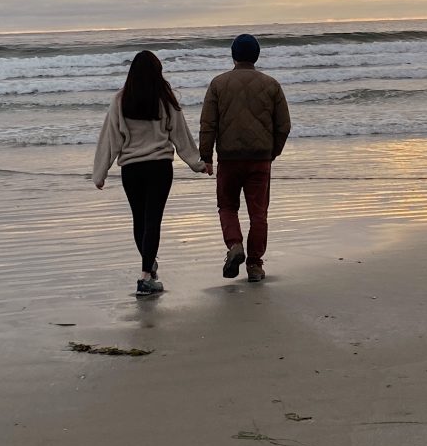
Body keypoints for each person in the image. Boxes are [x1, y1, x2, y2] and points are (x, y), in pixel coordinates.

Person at [93, 50, 208, 296]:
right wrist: (197, 163)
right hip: (159, 167)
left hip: (132, 169)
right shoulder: (165, 99)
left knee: (139, 219)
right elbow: (181, 135)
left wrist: (100, 173)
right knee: (152, 219)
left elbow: (110, 138)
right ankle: (146, 274)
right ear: (158, 73)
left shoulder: (120, 100)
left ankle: (148, 268)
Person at [199, 33, 290, 283]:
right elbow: (284, 125)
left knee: (227, 206)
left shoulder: (218, 84)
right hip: (260, 159)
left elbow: (208, 124)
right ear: (256, 56)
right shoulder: (271, 85)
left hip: (228, 158)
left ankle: (235, 244)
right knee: (258, 213)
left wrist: (205, 156)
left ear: (233, 55)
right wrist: (272, 152)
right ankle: (255, 265)